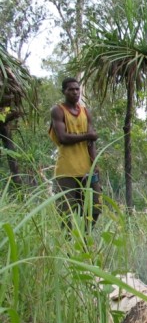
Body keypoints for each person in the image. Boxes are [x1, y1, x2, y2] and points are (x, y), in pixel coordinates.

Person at [49, 77, 101, 225]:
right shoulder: (58, 111)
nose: (75, 92)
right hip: (67, 170)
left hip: (86, 169)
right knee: (65, 211)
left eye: (77, 89)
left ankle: (85, 240)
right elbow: (63, 137)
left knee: (95, 207)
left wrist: (95, 164)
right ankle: (67, 243)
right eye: (71, 89)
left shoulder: (85, 112)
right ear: (64, 91)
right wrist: (87, 135)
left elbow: (91, 142)